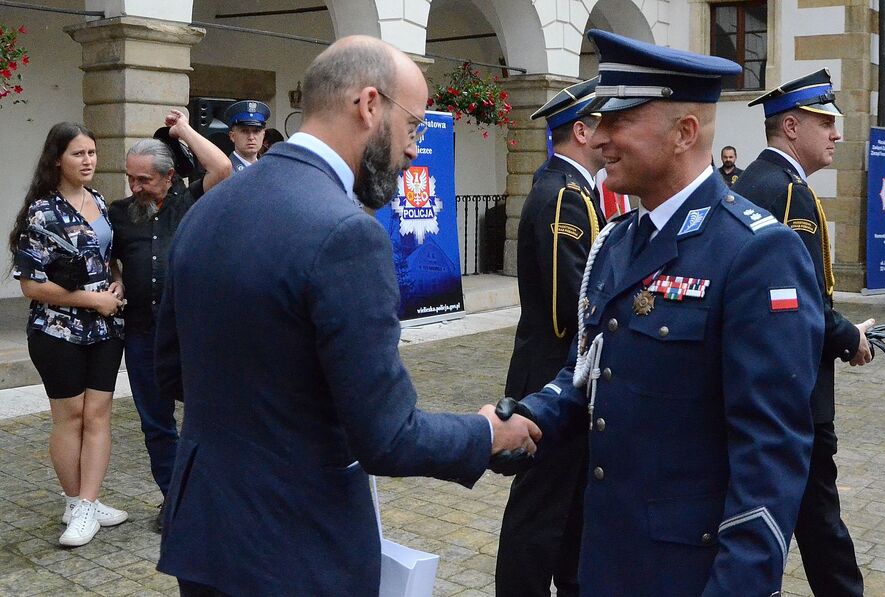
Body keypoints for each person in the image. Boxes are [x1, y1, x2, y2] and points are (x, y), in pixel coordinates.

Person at [153, 35, 541, 596]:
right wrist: (488, 433)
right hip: (298, 552)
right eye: (414, 127)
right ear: (368, 105)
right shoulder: (346, 233)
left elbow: (174, 373)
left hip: (209, 543)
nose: (413, 150)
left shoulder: (209, 208)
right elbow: (387, 435)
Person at [509, 30, 824, 595]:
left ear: (684, 132)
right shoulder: (616, 241)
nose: (599, 137)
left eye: (619, 120)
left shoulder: (756, 252)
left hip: (686, 576)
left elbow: (769, 461)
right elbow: (588, 371)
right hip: (605, 562)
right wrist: (526, 417)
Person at [732, 68, 873, 596]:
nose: (836, 134)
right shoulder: (791, 194)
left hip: (760, 387)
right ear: (791, 127)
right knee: (821, 524)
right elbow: (799, 301)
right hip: (796, 393)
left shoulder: (751, 181)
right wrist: (845, 337)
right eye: (825, 122)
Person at [497, 77, 607, 597]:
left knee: (567, 506)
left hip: (558, 373)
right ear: (581, 131)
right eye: (603, 124)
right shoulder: (566, 196)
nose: (612, 135)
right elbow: (573, 309)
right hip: (552, 376)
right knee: (538, 513)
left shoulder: (572, 189)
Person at [108, 109, 231, 531]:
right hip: (142, 334)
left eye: (144, 179)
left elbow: (223, 166)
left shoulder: (194, 198)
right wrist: (118, 278)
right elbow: (105, 258)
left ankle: (212, 492)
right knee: (156, 423)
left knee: (204, 419)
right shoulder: (120, 212)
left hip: (191, 333)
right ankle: (175, 497)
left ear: (168, 177)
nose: (135, 187)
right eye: (131, 178)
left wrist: (184, 130)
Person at [9, 122, 128, 547]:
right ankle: (75, 501)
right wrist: (92, 300)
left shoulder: (99, 201)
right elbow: (30, 284)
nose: (88, 161)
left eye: (92, 153)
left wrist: (117, 284)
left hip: (106, 330)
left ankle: (89, 503)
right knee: (70, 417)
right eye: (78, 154)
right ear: (57, 159)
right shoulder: (43, 212)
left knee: (98, 415)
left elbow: (108, 261)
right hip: (57, 329)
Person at [223, 99, 270, 172]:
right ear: (232, 136)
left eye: (256, 131)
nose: (251, 137)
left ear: (263, 135)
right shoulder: (224, 172)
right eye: (244, 131)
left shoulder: (268, 171)